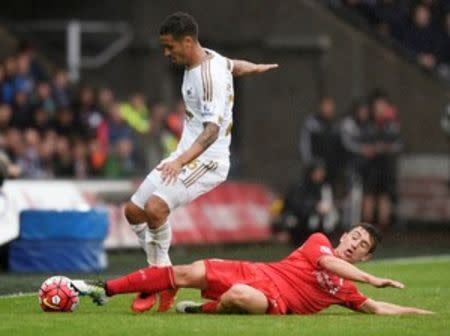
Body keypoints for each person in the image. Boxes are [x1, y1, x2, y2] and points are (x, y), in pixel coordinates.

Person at [123, 11, 279, 313]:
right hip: (185, 153)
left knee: (155, 209)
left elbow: (211, 131)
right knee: (133, 212)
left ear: (188, 41)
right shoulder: (213, 59)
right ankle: (165, 274)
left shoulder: (207, 78)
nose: (166, 53)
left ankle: (156, 280)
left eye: (170, 47)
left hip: (208, 160)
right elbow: (235, 66)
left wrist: (180, 161)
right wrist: (256, 68)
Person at [72, 223, 432, 315]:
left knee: (241, 298)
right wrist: (373, 279)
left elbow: (377, 308)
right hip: (255, 270)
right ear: (343, 235)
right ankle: (103, 287)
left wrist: (420, 312)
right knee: (185, 272)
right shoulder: (319, 242)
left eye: (362, 246)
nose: (354, 244)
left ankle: (204, 309)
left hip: (270, 299)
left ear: (364, 256)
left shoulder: (346, 290)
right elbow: (327, 262)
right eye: (354, 237)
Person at [274, 160, 338, 245]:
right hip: (298, 221)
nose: (320, 175)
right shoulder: (299, 186)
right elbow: (295, 206)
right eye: (318, 172)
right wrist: (315, 207)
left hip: (317, 221)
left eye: (322, 172)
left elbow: (328, 203)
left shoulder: (324, 187)